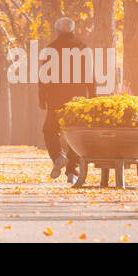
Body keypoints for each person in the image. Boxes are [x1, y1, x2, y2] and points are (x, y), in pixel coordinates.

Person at [37, 17, 95, 183]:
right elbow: (90, 76)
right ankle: (72, 171)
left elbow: (43, 78)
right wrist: (92, 98)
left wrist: (42, 98)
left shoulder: (51, 49)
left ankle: (58, 157)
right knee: (76, 133)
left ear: (57, 31)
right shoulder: (83, 48)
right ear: (73, 30)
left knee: (49, 131)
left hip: (56, 99)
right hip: (78, 100)